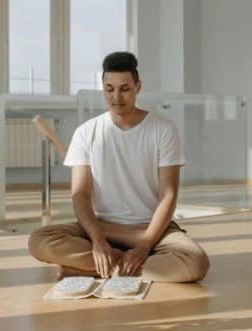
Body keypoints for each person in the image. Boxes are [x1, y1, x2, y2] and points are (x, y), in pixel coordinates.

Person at [28, 52, 209, 282]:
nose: (116, 97)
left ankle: (94, 269)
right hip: (103, 226)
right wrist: (97, 240)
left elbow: (168, 195)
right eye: (109, 89)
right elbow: (80, 195)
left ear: (138, 87)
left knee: (197, 262)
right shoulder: (86, 133)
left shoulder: (163, 129)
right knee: (39, 240)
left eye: (125, 89)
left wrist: (144, 246)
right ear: (103, 89)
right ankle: (124, 265)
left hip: (150, 228)